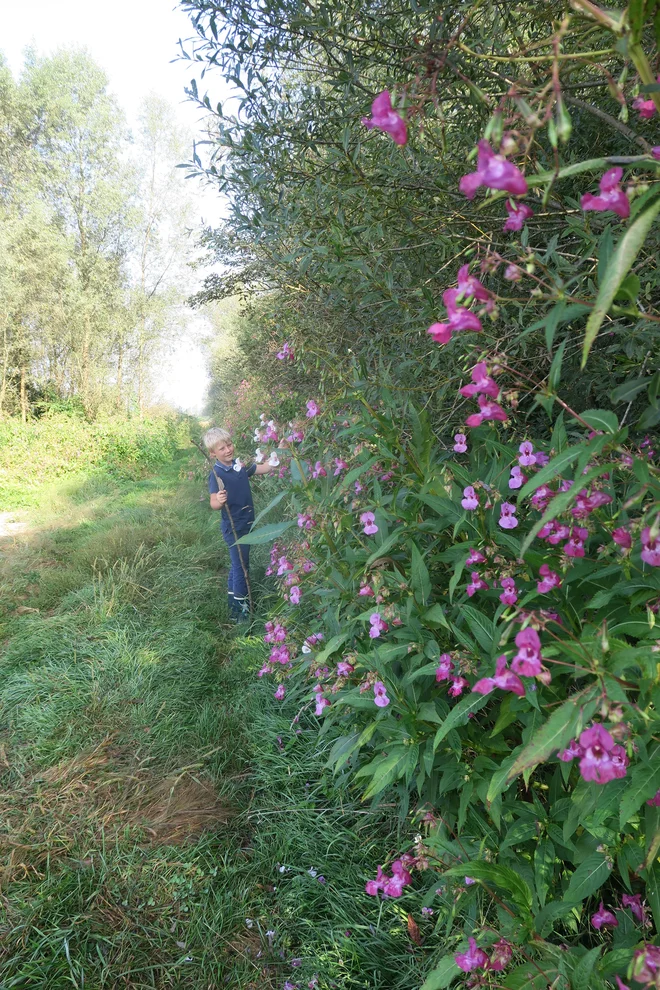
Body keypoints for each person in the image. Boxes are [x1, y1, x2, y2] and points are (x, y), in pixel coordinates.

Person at [203, 427, 277, 621]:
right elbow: (213, 503)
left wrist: (278, 456)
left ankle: (233, 604)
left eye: (229, 445)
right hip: (235, 529)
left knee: (238, 565)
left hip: (247, 524)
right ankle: (242, 614)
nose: (228, 450)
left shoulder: (239, 465)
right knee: (242, 568)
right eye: (222, 448)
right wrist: (219, 499)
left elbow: (262, 468)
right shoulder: (216, 474)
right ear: (213, 454)